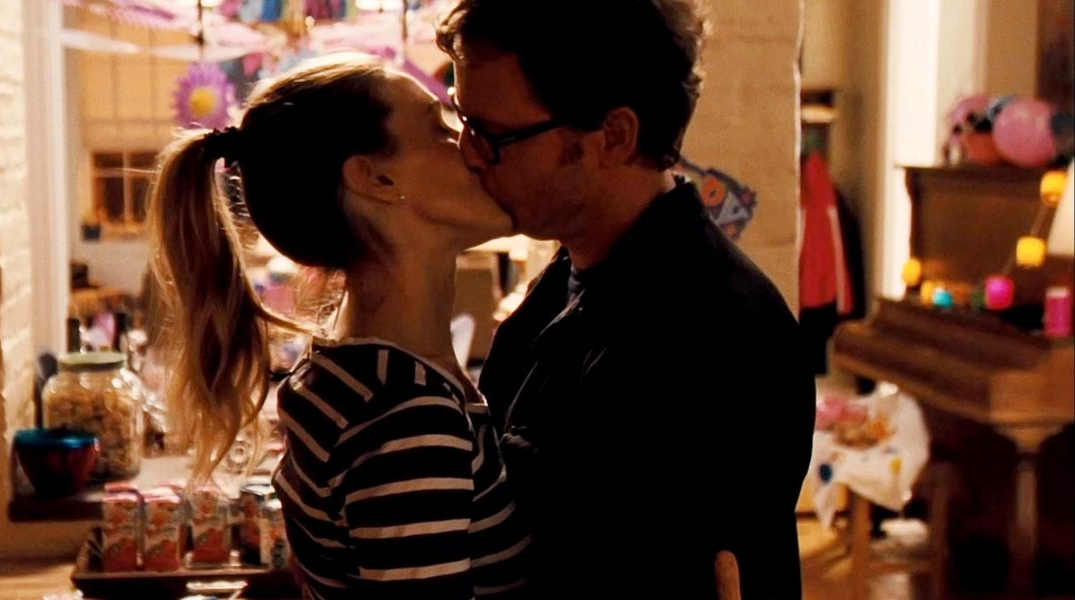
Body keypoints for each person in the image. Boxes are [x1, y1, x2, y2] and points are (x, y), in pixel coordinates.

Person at [437, 0, 815, 597]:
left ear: (613, 137)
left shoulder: (707, 334)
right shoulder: (575, 274)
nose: (468, 153)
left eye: (493, 135)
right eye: (463, 121)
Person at [147, 53, 530, 598]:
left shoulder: (353, 375)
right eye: (439, 128)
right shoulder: (407, 415)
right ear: (375, 178)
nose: (472, 147)